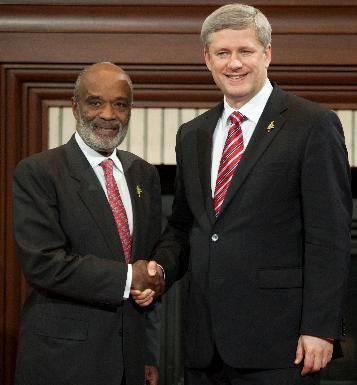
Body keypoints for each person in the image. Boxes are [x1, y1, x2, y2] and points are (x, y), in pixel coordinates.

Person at [132, 3, 352, 385]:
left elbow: (329, 235)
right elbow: (185, 227)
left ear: (267, 53)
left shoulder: (312, 125)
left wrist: (321, 327)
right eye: (223, 53)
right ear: (207, 59)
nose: (234, 64)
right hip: (204, 344)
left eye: (245, 51)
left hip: (281, 345)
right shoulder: (193, 134)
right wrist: (161, 270)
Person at [13, 62, 164, 385]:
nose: (109, 114)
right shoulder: (39, 172)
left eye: (120, 104)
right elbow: (43, 264)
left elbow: (147, 263)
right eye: (95, 102)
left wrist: (148, 354)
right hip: (64, 362)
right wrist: (128, 277)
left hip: (130, 359)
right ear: (75, 107)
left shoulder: (144, 174)